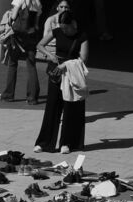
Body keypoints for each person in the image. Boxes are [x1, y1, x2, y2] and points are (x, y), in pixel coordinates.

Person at [34, 9, 88, 154]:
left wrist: (66, 65)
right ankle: (44, 143)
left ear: (73, 24)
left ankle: (67, 143)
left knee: (70, 109)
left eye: (66, 28)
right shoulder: (57, 31)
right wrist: (49, 55)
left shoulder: (82, 36)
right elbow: (40, 45)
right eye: (62, 28)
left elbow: (83, 58)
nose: (64, 31)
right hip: (56, 73)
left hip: (71, 75)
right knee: (52, 107)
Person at [0, 0, 42, 105]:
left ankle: (8, 95)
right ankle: (32, 98)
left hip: (18, 36)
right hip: (31, 36)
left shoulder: (20, 0)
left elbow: (13, 17)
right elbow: (36, 24)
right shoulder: (38, 2)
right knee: (31, 66)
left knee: (12, 64)